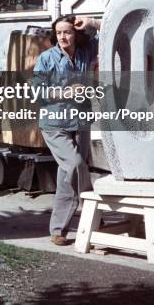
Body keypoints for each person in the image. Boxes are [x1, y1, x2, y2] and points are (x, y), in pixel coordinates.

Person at [33, 14, 100, 246]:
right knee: (75, 165)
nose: (63, 36)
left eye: (67, 32)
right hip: (55, 125)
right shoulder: (46, 58)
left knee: (67, 176)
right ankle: (95, 209)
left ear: (75, 34)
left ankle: (59, 230)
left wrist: (92, 23)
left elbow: (111, 34)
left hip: (80, 122)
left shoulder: (86, 52)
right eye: (59, 32)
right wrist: (64, 93)